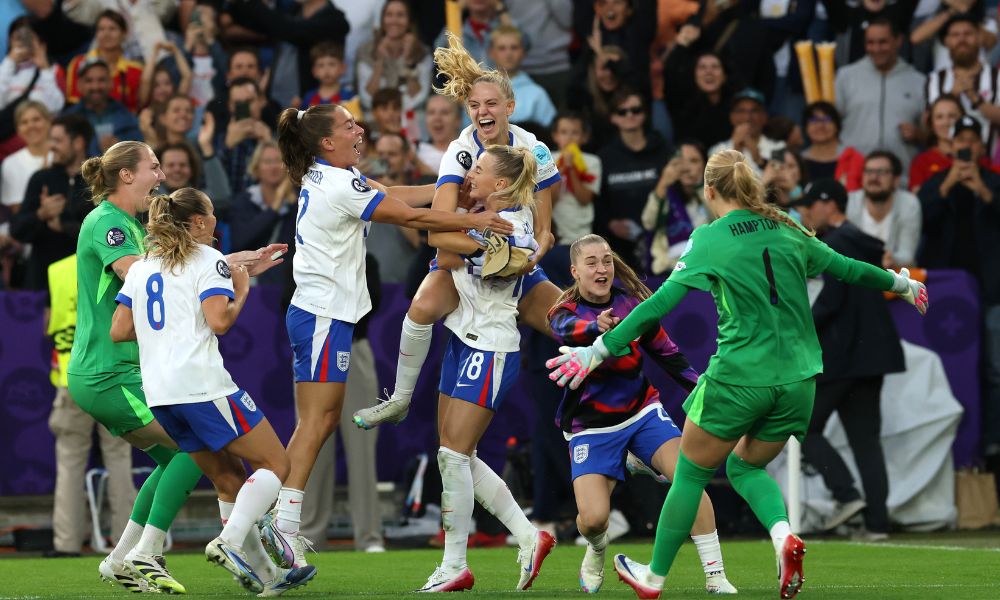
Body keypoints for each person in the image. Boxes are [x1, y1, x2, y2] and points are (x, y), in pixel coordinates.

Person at [547, 149, 928, 600]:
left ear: (709, 191)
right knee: (746, 465)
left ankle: (653, 578)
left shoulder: (709, 238)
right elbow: (846, 268)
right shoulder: (787, 226)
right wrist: (902, 284)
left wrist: (597, 350)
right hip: (799, 382)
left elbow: (655, 306)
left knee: (689, 474)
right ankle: (783, 536)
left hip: (739, 378)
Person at [258, 102, 513, 570]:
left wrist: (450, 189)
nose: (360, 129)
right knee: (315, 423)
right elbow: (412, 218)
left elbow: (398, 194)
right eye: (348, 124)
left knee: (322, 420)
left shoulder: (332, 177)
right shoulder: (337, 181)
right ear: (326, 142)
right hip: (321, 316)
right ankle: (280, 525)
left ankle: (280, 526)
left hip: (325, 316)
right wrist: (473, 219)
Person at [68, 140, 284, 593]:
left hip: (125, 369)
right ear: (125, 175)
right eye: (152, 166)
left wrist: (223, 265)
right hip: (110, 372)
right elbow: (146, 275)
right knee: (196, 449)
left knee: (182, 460)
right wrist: (223, 268)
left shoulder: (124, 222)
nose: (161, 176)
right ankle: (147, 553)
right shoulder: (109, 222)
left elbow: (158, 280)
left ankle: (121, 559)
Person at [351, 32, 563, 430]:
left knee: (572, 327)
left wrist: (529, 254)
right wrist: (485, 248)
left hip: (515, 267)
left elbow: (545, 228)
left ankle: (625, 416)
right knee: (421, 306)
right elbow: (440, 235)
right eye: (474, 105)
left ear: (509, 107)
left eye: (491, 104)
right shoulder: (461, 151)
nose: (482, 111)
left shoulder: (532, 147)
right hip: (468, 257)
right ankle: (399, 399)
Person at [110, 187, 316, 595]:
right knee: (276, 464)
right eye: (211, 214)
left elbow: (120, 330)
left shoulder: (143, 267)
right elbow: (219, 322)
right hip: (203, 386)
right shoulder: (208, 260)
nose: (215, 221)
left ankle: (270, 579)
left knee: (227, 478)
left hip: (161, 394)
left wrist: (165, 331)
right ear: (200, 222)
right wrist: (240, 289)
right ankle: (229, 542)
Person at [548, 233, 736, 595]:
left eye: (606, 260)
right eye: (592, 263)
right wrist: (595, 328)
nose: (602, 269)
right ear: (575, 271)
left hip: (641, 412)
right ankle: (596, 547)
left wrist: (702, 392)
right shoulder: (564, 312)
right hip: (590, 426)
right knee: (593, 520)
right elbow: (564, 330)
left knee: (688, 476)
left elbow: (669, 355)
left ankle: (715, 575)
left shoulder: (634, 305)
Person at [418, 144, 555, 592]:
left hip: (491, 346)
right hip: (462, 338)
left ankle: (455, 562)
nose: (468, 175)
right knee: (456, 455)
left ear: (501, 184)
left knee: (453, 455)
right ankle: (530, 536)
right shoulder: (484, 216)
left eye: (477, 169)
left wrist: (451, 215)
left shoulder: (514, 227)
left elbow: (440, 242)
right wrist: (462, 217)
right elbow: (442, 237)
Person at [791, 178, 904, 541]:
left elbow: (832, 302)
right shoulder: (861, 241)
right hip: (872, 358)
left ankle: (846, 494)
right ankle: (877, 524)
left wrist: (797, 325)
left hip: (842, 357)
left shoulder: (837, 243)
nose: (807, 212)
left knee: (802, 426)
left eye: (811, 204)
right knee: (866, 441)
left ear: (829, 204)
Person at [917, 112, 1000, 464]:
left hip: (994, 291)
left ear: (982, 146)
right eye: (960, 141)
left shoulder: (994, 182)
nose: (966, 147)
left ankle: (993, 443)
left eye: (972, 140)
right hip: (947, 296)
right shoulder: (936, 184)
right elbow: (925, 220)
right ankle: (952, 448)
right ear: (951, 146)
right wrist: (950, 184)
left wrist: (981, 190)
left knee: (995, 369)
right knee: (952, 365)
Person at [10, 115, 95, 290]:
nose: (51, 146)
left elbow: (102, 235)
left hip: (85, 284)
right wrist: (41, 214)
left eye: (57, 140)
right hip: (41, 283)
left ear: (78, 143)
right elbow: (17, 231)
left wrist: (64, 225)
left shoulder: (99, 182)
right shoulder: (41, 179)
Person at [835, 18, 925, 180]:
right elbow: (831, 126)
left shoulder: (919, 81)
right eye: (870, 42)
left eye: (883, 42)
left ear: (898, 41)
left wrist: (918, 134)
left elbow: (931, 135)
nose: (876, 48)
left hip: (901, 178)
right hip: (853, 177)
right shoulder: (846, 77)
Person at [596, 89, 672, 272]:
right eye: (622, 111)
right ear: (613, 117)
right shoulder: (604, 157)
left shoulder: (664, 151)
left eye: (636, 110)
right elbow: (597, 201)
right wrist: (609, 223)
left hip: (664, 241)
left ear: (644, 114)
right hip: (620, 248)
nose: (629, 115)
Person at [355, 0, 432, 129]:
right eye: (389, 15)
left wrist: (408, 60)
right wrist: (379, 61)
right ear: (382, 19)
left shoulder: (422, 52)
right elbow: (367, 97)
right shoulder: (365, 51)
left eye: (400, 15)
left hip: (411, 121)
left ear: (409, 21)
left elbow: (419, 96)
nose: (394, 20)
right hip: (375, 122)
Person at [640, 141, 708, 275]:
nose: (686, 168)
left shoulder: (714, 195)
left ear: (705, 165)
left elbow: (719, 219)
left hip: (705, 272)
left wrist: (701, 186)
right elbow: (648, 222)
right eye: (680, 162)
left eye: (694, 161)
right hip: (668, 274)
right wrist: (663, 182)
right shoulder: (664, 194)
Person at [847, 150, 922, 270]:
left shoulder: (909, 203)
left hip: (894, 278)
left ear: (896, 180)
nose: (873, 177)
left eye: (881, 172)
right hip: (855, 275)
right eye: (868, 171)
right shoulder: (850, 201)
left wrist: (892, 259)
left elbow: (907, 255)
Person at [65, 10, 144, 113]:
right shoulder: (78, 63)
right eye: (101, 29)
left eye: (112, 29)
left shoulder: (136, 71)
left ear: (124, 33)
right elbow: (73, 104)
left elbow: (136, 109)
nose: (106, 34)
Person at [62, 57, 143, 157]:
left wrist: (120, 148)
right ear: (79, 85)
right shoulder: (68, 120)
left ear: (111, 83)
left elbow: (139, 150)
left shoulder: (127, 116)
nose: (95, 86)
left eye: (101, 80)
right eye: (89, 81)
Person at [487, 25, 557, 128]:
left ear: (523, 52)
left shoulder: (537, 94)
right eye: (502, 48)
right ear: (491, 53)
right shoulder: (477, 91)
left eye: (514, 48)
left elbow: (551, 135)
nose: (508, 54)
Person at [551, 111, 600, 247]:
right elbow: (548, 200)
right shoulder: (547, 159)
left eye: (575, 133)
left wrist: (571, 169)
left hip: (582, 234)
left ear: (584, 137)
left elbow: (584, 199)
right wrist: (561, 169)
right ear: (555, 136)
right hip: (555, 234)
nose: (569, 138)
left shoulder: (592, 162)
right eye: (564, 132)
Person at [799, 102, 865, 192]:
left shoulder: (854, 158)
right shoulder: (798, 161)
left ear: (837, 126)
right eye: (814, 120)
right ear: (805, 128)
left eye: (827, 119)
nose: (820, 125)